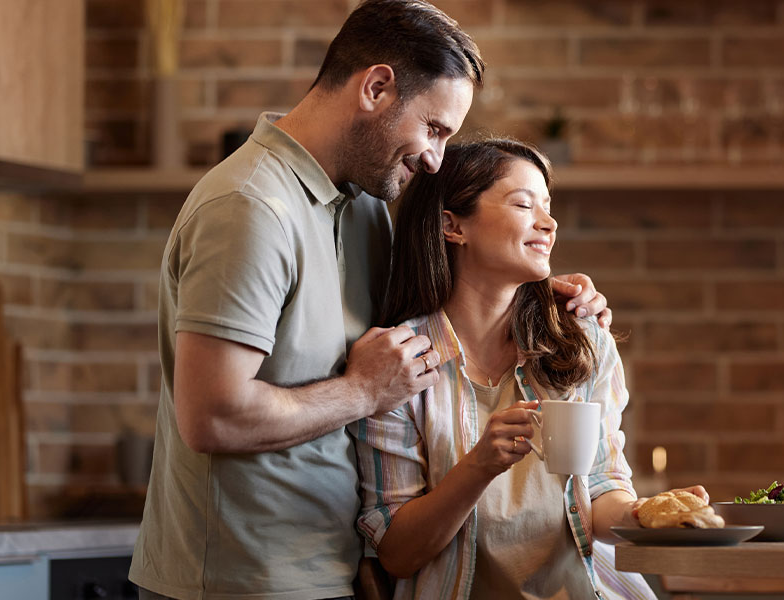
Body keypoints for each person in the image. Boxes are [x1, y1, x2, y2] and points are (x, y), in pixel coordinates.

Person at [129, 3, 609, 599]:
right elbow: (212, 416)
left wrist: (552, 295)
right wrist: (363, 392)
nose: (435, 159)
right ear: (376, 87)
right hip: (240, 577)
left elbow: (436, 302)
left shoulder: (362, 206)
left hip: (326, 568)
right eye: (433, 129)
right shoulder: (249, 207)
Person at [352, 139, 707, 600]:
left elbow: (599, 488)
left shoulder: (582, 342)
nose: (549, 223)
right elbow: (398, 553)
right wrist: (479, 467)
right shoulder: (398, 365)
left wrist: (647, 515)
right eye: (524, 204)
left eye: (548, 206)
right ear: (451, 225)